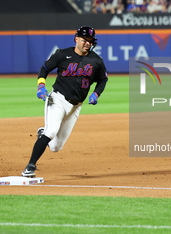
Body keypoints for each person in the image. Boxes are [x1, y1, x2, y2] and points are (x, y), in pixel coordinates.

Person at [21, 25, 108, 177]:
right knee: (51, 131)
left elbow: (102, 80)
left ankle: (42, 133)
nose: (88, 43)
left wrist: (96, 94)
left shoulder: (96, 61)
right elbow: (45, 68)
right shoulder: (62, 54)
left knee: (55, 147)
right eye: (85, 39)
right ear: (76, 39)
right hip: (57, 99)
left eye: (90, 40)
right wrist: (41, 85)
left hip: (76, 106)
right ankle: (30, 166)